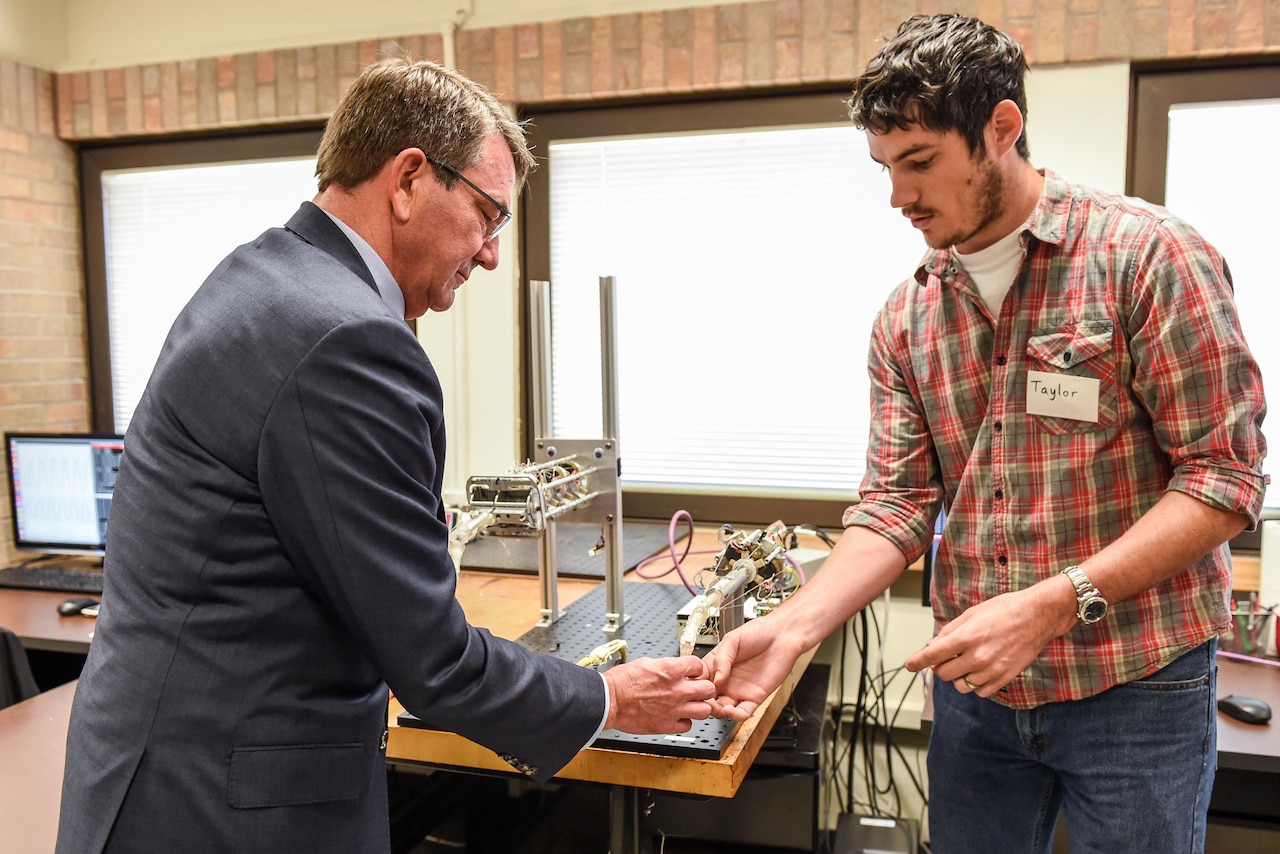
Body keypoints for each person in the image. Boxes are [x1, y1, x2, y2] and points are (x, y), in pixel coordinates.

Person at [56, 57, 715, 854]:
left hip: (155, 774)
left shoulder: (261, 276)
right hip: (229, 809)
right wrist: (607, 697)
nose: (493, 253)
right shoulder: (348, 340)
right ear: (408, 179)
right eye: (488, 215)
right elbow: (435, 665)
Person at [705, 14, 1266, 854]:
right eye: (886, 167)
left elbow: (1225, 480)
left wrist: (1052, 605)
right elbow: (895, 507)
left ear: (1002, 128)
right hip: (977, 694)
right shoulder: (907, 316)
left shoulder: (1148, 258)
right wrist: (791, 628)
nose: (899, 196)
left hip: (1137, 681)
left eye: (921, 161)